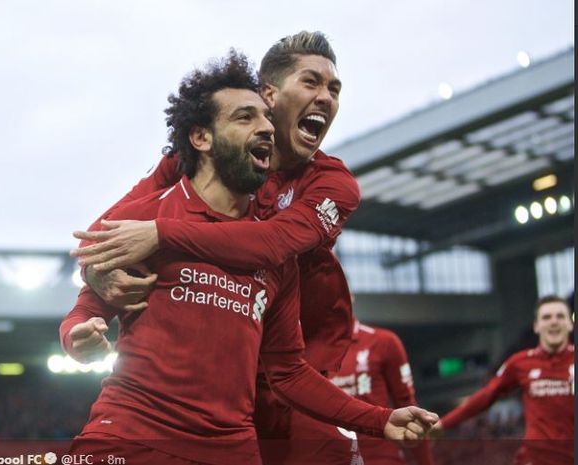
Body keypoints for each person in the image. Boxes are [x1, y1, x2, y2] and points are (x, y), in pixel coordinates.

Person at [62, 50, 437, 465]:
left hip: (255, 419)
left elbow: (287, 354)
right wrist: (88, 303)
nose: (326, 97)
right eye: (311, 82)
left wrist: (378, 419)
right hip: (134, 437)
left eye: (334, 88)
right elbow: (95, 250)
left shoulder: (323, 193)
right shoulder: (160, 199)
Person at [431, 295, 574, 465]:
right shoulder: (520, 363)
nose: (554, 322)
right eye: (546, 317)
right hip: (534, 459)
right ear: (536, 326)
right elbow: (486, 396)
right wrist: (444, 423)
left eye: (560, 316)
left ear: (570, 323)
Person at [331, 319, 434, 465]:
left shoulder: (383, 342)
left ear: (351, 296)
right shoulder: (306, 351)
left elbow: (408, 406)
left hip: (379, 457)